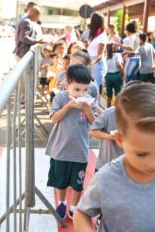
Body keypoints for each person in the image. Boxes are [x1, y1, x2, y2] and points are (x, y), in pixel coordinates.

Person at [73, 83, 155, 231]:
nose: (153, 163)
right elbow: (82, 214)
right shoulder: (107, 178)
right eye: (142, 154)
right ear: (120, 139)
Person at [46, 64, 96, 220]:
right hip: (60, 150)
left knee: (77, 184)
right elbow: (54, 118)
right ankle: (61, 203)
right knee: (60, 182)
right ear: (67, 86)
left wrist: (87, 109)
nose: (81, 93)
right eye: (77, 90)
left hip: (80, 151)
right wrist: (68, 106)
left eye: (85, 90)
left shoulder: (89, 100)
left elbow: (93, 123)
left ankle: (74, 208)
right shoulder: (60, 97)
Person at [90, 105, 123, 171]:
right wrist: (111, 137)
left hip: (128, 168)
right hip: (105, 165)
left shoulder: (141, 115)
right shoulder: (109, 113)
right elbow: (92, 131)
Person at [88, 12, 108, 95]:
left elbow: (99, 55)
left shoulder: (102, 36)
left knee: (94, 92)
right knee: (90, 91)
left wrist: (91, 63)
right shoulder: (96, 34)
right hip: (93, 64)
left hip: (97, 65)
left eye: (91, 20)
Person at [105, 43, 124, 107]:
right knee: (118, 95)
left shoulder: (106, 56)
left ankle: (108, 109)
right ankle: (115, 110)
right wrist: (123, 74)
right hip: (116, 76)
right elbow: (119, 65)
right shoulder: (117, 55)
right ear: (114, 48)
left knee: (109, 96)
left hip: (108, 76)